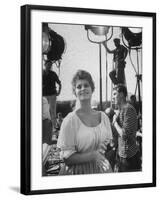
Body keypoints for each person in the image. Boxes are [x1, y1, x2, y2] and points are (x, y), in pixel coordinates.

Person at [57, 70, 113, 175]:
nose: (83, 88)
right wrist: (93, 156)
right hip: (77, 173)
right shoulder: (70, 120)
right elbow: (67, 158)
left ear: (92, 89)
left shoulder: (103, 117)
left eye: (86, 85)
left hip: (101, 171)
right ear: (75, 92)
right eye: (79, 87)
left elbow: (108, 145)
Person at [112, 84, 141, 172]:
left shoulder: (128, 109)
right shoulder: (121, 110)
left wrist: (115, 122)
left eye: (114, 94)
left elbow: (125, 135)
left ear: (121, 94)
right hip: (122, 155)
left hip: (129, 159)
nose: (113, 97)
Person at [43, 60, 62, 131]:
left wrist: (59, 91)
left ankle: (54, 127)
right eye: (48, 64)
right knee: (44, 112)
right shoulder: (41, 73)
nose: (49, 66)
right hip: (43, 96)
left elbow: (59, 83)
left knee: (52, 111)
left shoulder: (53, 74)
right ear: (45, 65)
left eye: (50, 65)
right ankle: (44, 128)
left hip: (52, 95)